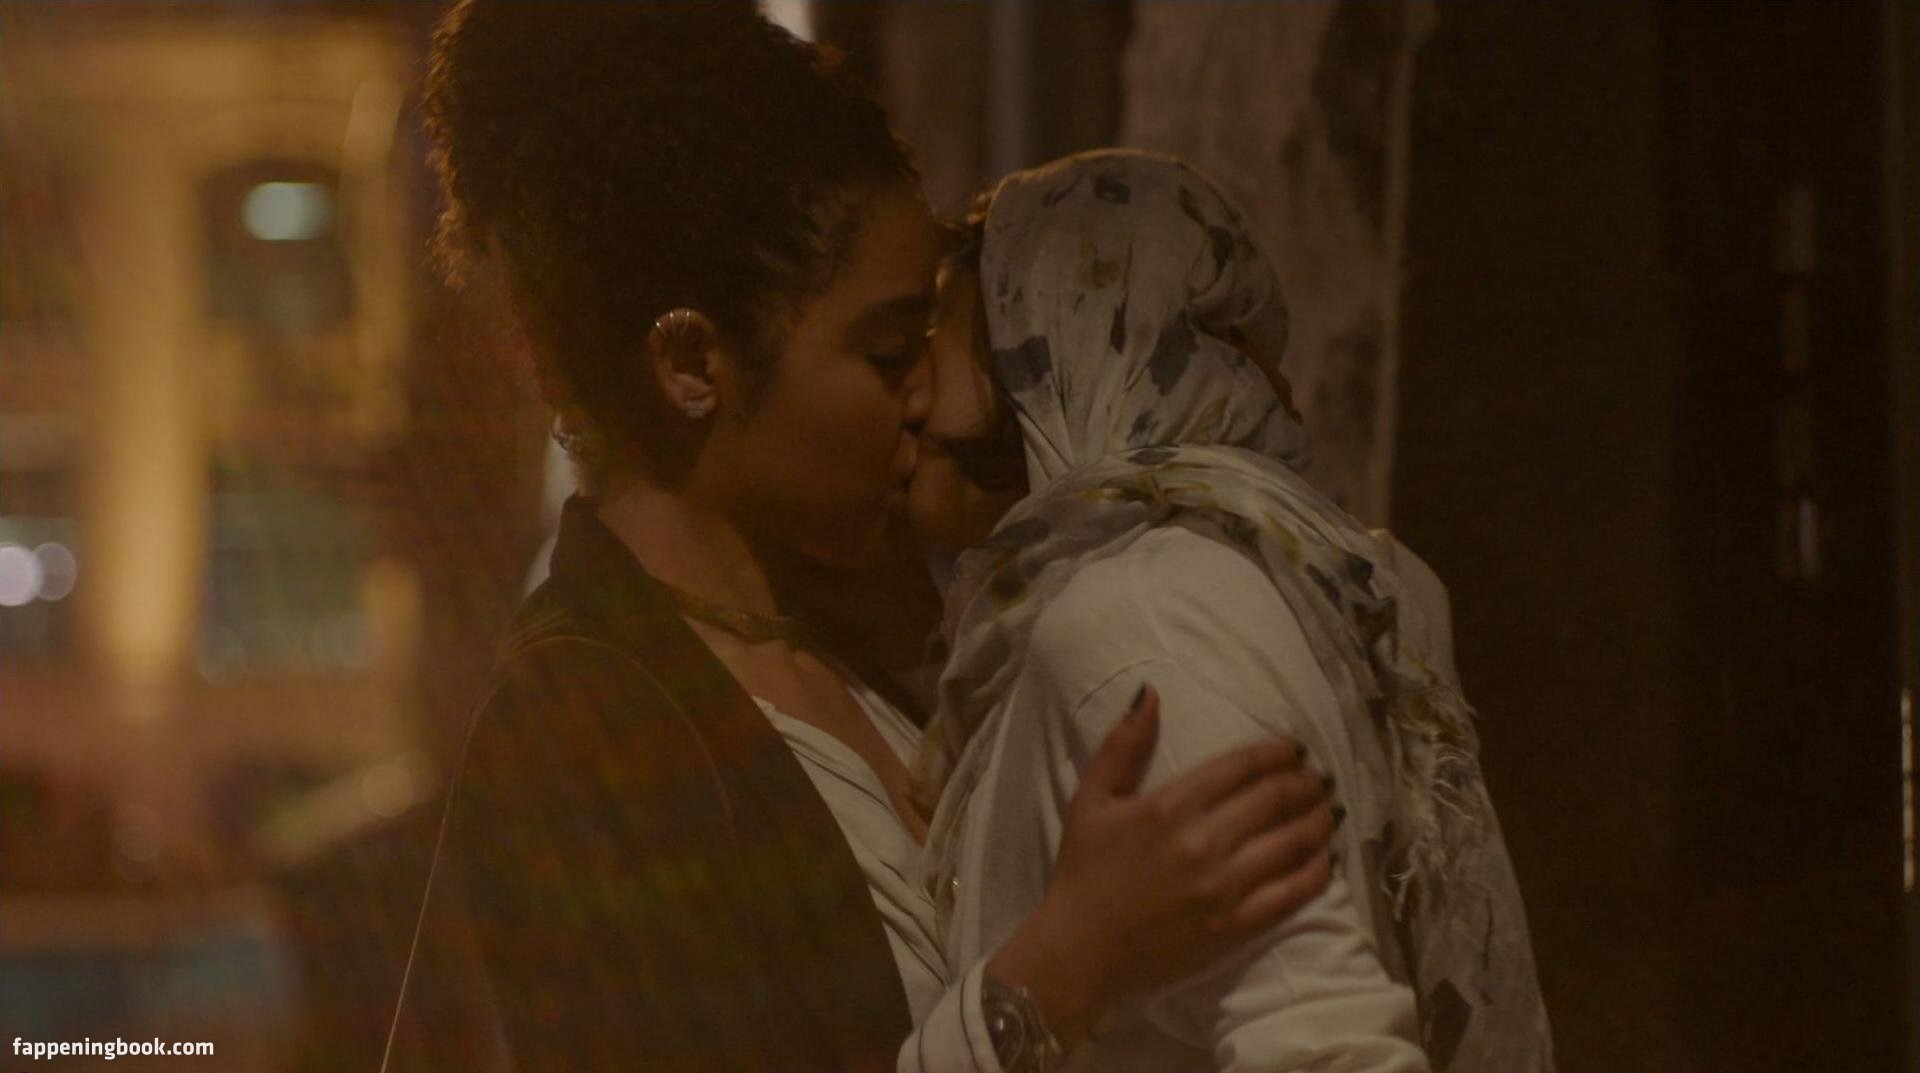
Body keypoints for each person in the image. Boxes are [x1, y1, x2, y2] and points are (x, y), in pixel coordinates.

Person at [385, 8, 1340, 1073]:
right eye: (886, 353)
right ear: (691, 365)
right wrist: (1063, 968)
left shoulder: (873, 633)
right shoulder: (581, 733)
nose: (927, 394)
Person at [906, 149, 1555, 1073]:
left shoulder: (1145, 615)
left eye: (931, 335)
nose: (908, 393)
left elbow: (1324, 1046)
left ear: (1061, 333)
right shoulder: (1245, 570)